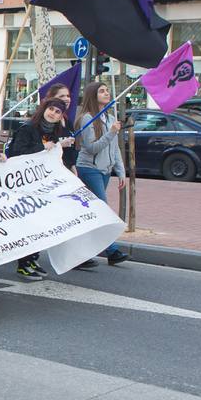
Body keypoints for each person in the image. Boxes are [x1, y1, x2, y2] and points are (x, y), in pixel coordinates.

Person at [6, 95, 76, 280]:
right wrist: (43, 147)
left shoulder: (53, 132)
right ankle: (23, 263)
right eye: (51, 109)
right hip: (23, 185)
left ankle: (32, 259)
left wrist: (58, 146)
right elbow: (18, 153)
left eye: (58, 112)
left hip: (41, 186)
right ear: (44, 109)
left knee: (39, 223)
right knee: (26, 224)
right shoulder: (28, 128)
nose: (53, 114)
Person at [73, 83, 131, 267]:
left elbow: (115, 149)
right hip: (89, 169)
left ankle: (78, 254)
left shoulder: (110, 117)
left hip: (105, 170)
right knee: (102, 210)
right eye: (102, 91)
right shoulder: (87, 118)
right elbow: (91, 147)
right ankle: (112, 250)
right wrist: (111, 133)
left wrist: (121, 172)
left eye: (107, 90)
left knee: (90, 213)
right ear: (93, 95)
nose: (107, 93)